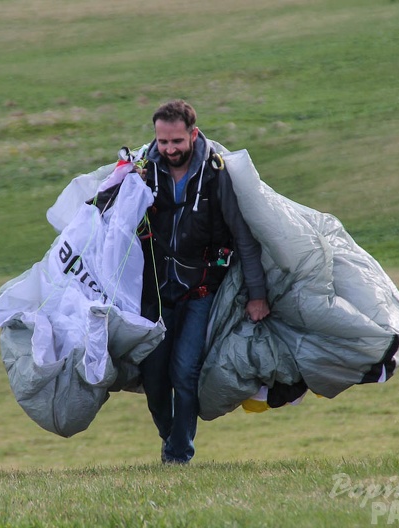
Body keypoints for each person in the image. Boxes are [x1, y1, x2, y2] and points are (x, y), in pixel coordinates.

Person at [136, 100, 270, 464]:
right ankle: (172, 439)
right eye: (162, 142)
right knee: (153, 376)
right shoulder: (143, 171)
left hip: (201, 287)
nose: (170, 150)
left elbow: (243, 235)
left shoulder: (216, 174)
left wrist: (257, 295)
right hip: (158, 289)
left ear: (193, 134)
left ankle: (179, 455)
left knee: (185, 370)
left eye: (177, 141)